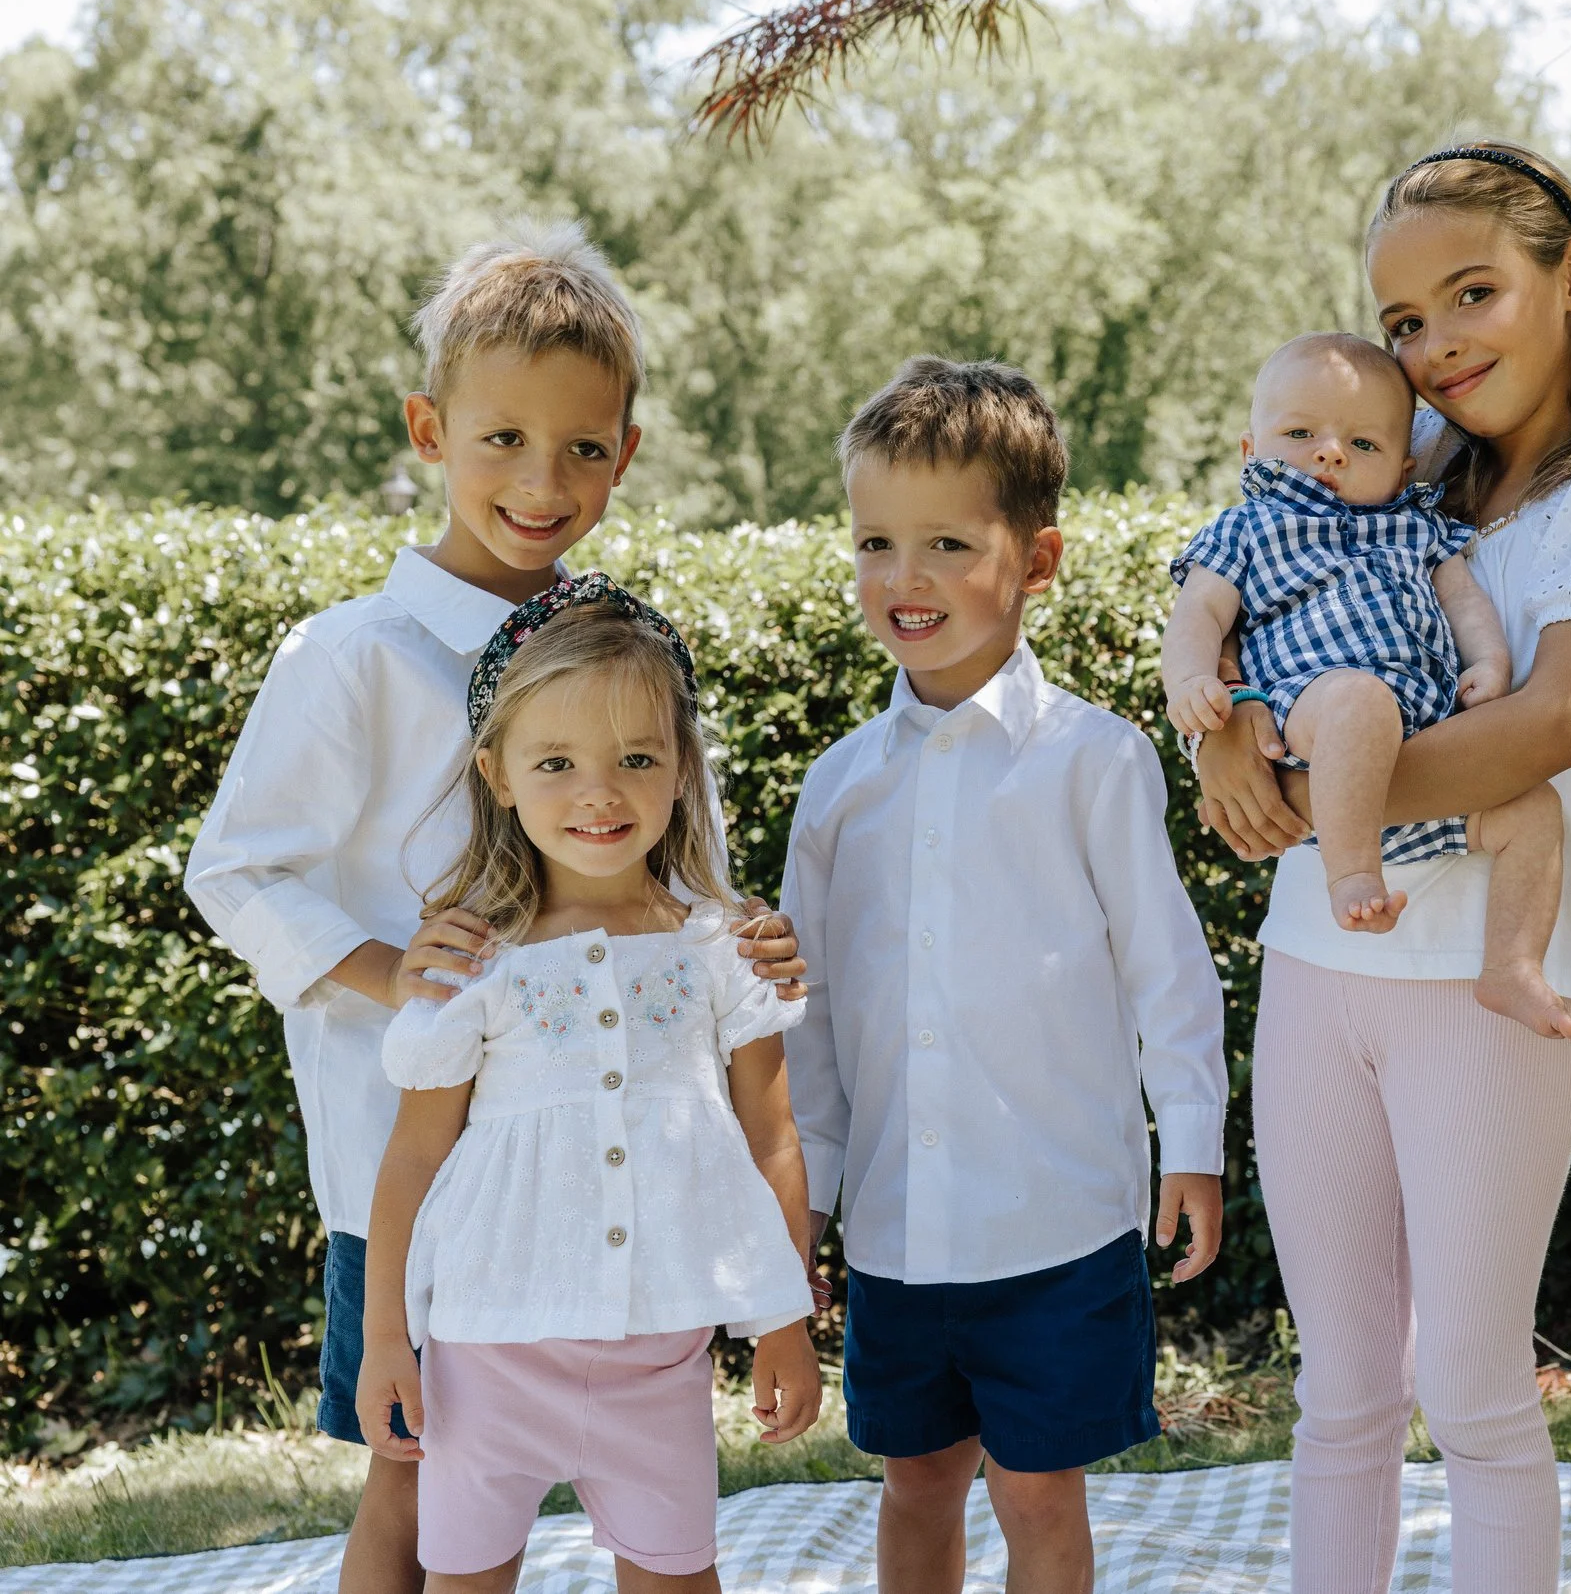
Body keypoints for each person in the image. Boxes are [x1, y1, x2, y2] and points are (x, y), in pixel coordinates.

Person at [181, 224, 804, 1594]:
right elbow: (234, 868)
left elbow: (673, 855)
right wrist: (395, 969)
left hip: (600, 1172)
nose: (542, 480)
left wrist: (738, 931)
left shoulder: (623, 653)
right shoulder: (351, 655)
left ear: (625, 454)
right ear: (430, 431)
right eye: (503, 439)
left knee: (633, 1471)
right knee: (410, 1471)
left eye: (581, 447)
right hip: (404, 1152)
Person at [1191, 143, 1571, 1594]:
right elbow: (1244, 604)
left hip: (1491, 985)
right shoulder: (1393, 464)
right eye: (1406, 320)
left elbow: (1547, 725)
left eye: (1473, 294)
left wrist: (1310, 787)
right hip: (1316, 963)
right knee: (1342, 1388)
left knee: (1472, 1390)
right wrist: (1222, 732)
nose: (1436, 346)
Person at [778, 357, 1229, 1594]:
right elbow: (808, 1021)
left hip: (1056, 1220)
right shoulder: (838, 787)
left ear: (1036, 562)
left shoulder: (1095, 761)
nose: (903, 578)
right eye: (876, 542)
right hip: (895, 1228)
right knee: (916, 1480)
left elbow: (1165, 966)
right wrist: (801, 1200)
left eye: (946, 543)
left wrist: (1191, 1139)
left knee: (1036, 1490)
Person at [354, 583, 822, 1592]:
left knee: (677, 1576)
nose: (598, 793)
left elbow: (772, 1137)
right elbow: (416, 1153)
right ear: (499, 775)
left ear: (682, 767)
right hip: (485, 1353)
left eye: (636, 759)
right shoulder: (474, 960)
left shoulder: (722, 948)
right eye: (557, 763)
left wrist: (783, 1317)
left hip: (660, 1358)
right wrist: (385, 1334)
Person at [1161, 331, 1571, 1041]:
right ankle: (1353, 876)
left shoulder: (1416, 527)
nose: (1330, 453)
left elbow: (1465, 600)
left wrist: (1490, 662)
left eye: (1363, 444)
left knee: (1535, 811)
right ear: (1250, 450)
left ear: (1403, 467)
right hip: (1313, 705)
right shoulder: (1250, 526)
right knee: (1359, 699)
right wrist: (1193, 683)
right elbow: (1199, 613)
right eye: (1300, 434)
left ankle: (1513, 964)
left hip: (1423, 754)